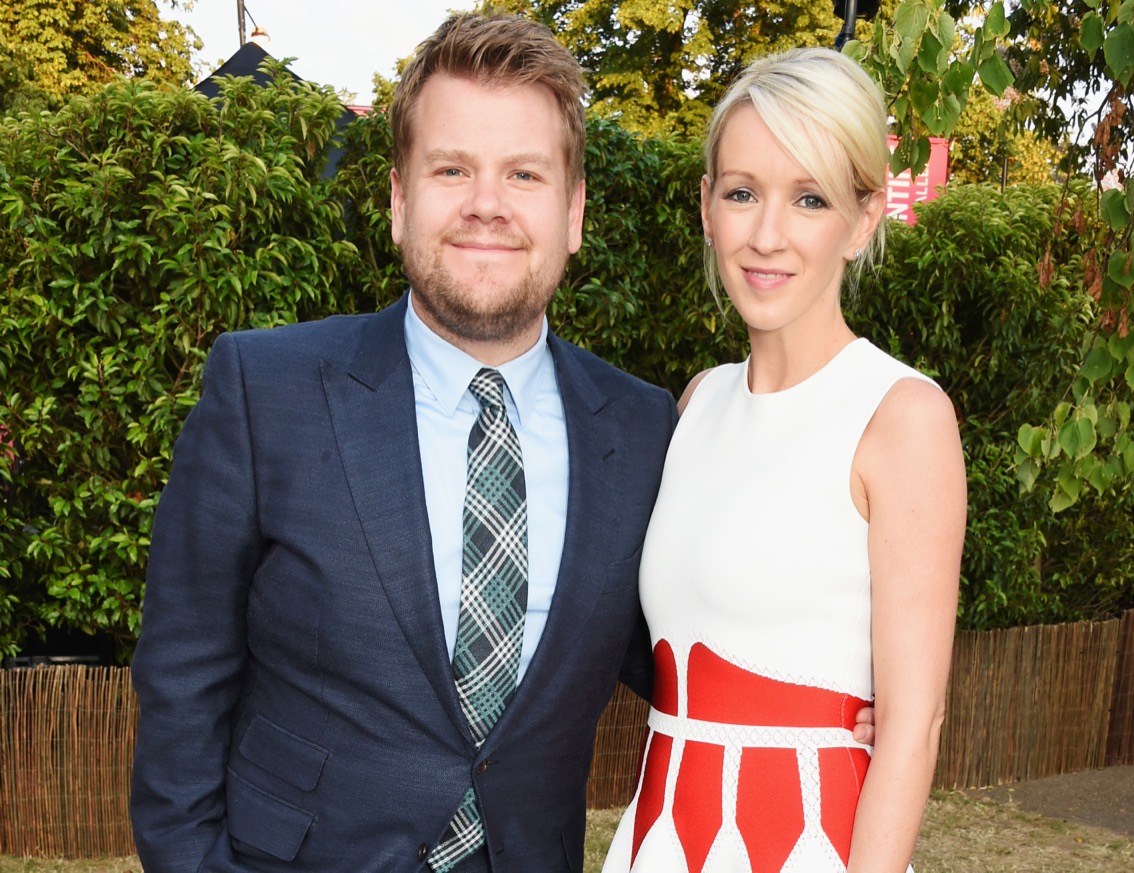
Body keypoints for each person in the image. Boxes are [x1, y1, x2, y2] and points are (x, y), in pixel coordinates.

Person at [130, 13, 877, 872]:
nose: (487, 203)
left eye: (525, 173)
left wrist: (839, 689)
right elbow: (182, 681)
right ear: (400, 199)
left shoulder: (640, 430)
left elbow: (685, 619)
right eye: (452, 169)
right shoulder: (267, 391)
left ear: (573, 211)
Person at [602, 48, 967, 873]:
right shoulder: (696, 403)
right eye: (742, 192)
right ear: (707, 206)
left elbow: (915, 725)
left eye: (809, 198)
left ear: (865, 216)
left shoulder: (902, 417)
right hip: (658, 841)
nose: (767, 234)